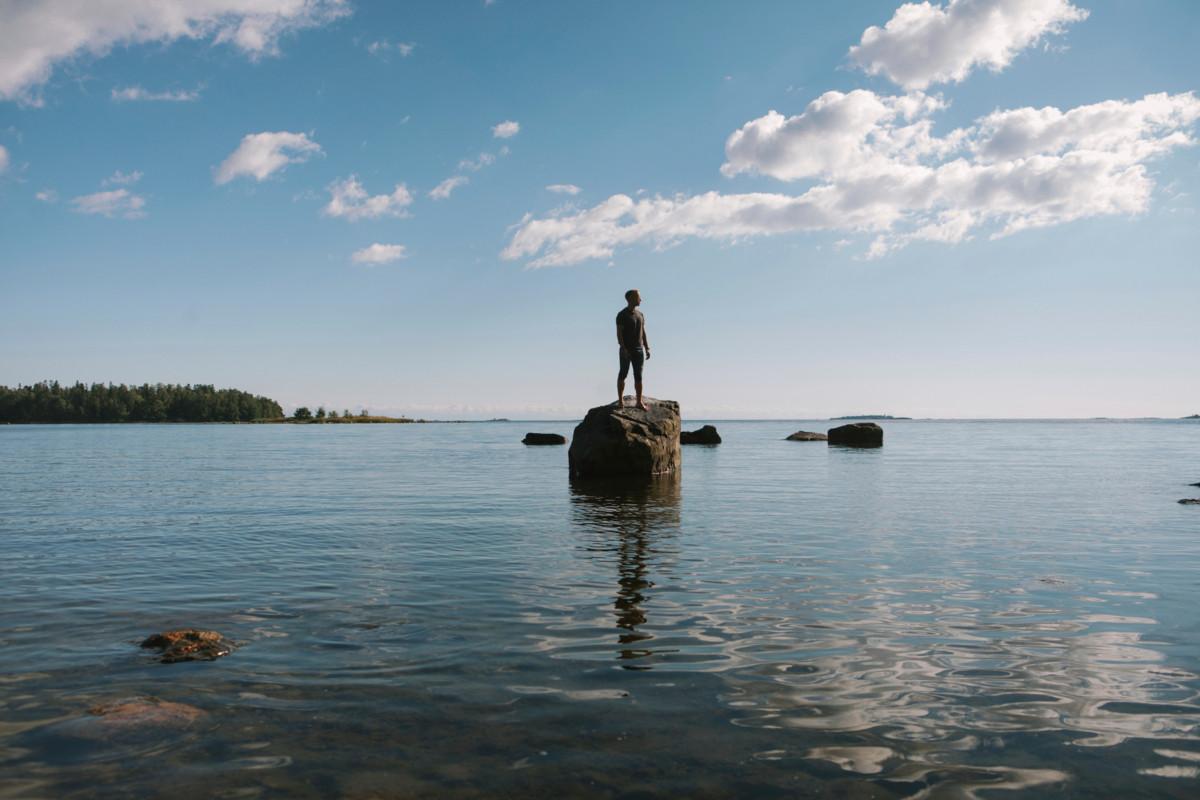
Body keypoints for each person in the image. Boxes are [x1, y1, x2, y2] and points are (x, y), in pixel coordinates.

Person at [616, 289, 651, 410]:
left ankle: (639, 402)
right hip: (626, 350)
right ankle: (620, 401)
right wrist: (623, 348)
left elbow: (643, 332)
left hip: (639, 350)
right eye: (638, 297)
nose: (640, 299)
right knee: (623, 374)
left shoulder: (640, 314)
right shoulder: (622, 315)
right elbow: (619, 334)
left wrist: (647, 347)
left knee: (638, 376)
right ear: (630, 298)